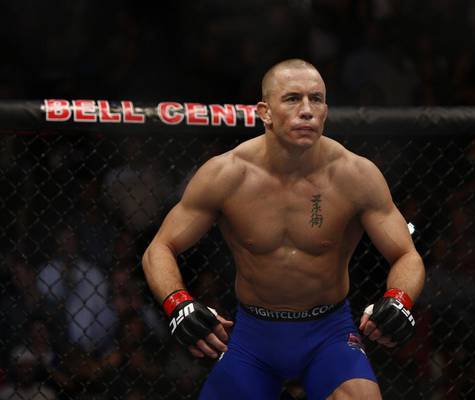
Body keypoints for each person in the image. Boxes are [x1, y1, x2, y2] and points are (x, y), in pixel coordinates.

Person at [142, 58, 426, 399]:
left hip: (329, 334)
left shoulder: (355, 175)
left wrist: (399, 300)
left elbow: (406, 255)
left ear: (325, 111)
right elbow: (159, 248)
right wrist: (178, 304)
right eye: (292, 98)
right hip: (254, 338)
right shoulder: (227, 175)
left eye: (316, 99)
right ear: (265, 112)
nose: (306, 110)